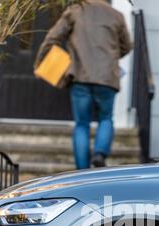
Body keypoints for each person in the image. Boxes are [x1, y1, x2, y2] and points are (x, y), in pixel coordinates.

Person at [35, 0, 133, 169]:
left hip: (80, 76)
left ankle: (81, 171)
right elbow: (127, 46)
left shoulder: (75, 11)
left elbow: (52, 38)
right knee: (106, 118)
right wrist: (111, 57)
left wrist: (40, 64)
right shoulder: (116, 15)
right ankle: (99, 154)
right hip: (107, 78)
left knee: (82, 124)